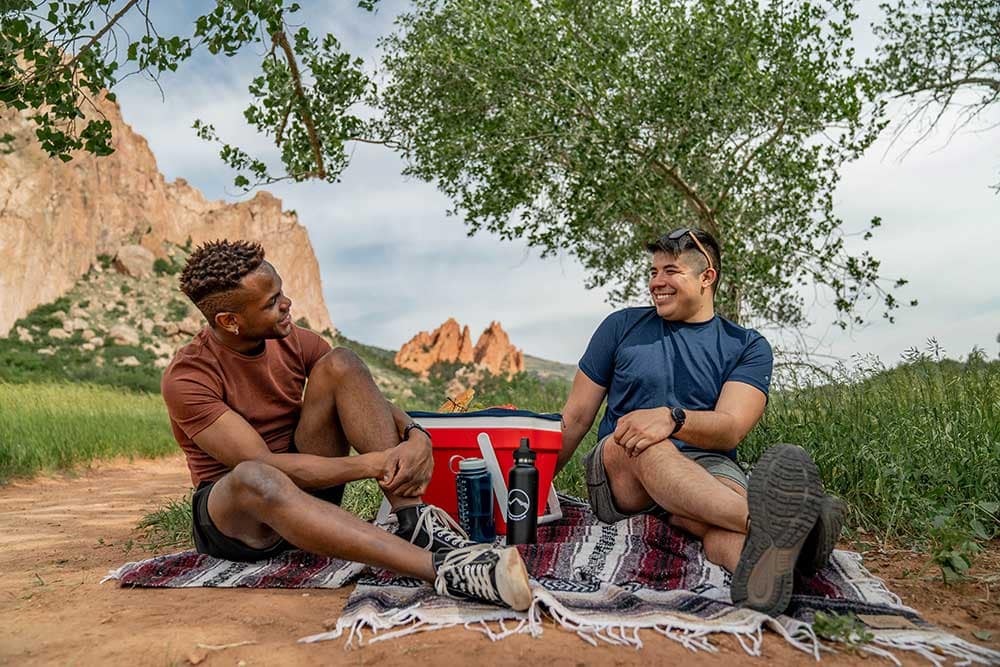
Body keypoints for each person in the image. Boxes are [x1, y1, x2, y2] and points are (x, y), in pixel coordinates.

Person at [160, 239, 531, 611]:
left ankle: (413, 520)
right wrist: (373, 463)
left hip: (309, 490)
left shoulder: (294, 341)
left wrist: (416, 434)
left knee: (343, 362)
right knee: (254, 475)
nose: (287, 304)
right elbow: (263, 464)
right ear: (229, 321)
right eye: (271, 302)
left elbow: (365, 396)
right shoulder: (188, 377)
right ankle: (446, 570)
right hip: (241, 521)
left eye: (282, 292)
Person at [557, 228, 844, 617]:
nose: (656, 282)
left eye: (670, 271)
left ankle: (767, 570)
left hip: (707, 466)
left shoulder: (746, 345)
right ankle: (781, 527)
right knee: (643, 439)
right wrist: (523, 494)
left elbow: (729, 427)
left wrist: (672, 419)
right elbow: (574, 418)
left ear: (707, 277)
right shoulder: (621, 327)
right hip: (624, 467)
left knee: (715, 523)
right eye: (654, 271)